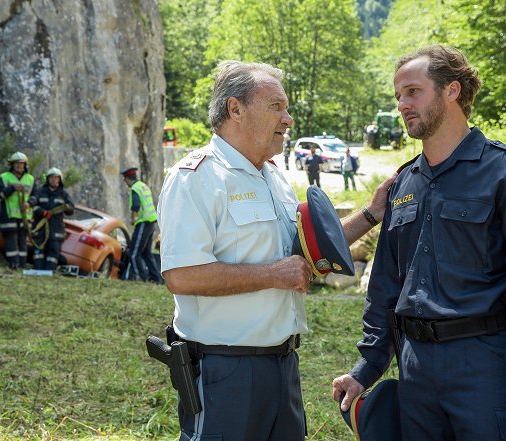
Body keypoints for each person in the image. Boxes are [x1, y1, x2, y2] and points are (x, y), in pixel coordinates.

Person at [332, 44, 506, 441]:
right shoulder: (402, 183)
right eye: (398, 96)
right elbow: (386, 287)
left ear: (452, 91)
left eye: (413, 91)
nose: (402, 105)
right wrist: (368, 366)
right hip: (415, 369)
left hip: (483, 364)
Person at [157, 60, 396, 441]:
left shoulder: (273, 177)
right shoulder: (196, 178)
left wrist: (371, 214)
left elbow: (303, 258)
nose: (288, 119)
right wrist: (273, 274)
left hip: (283, 365)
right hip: (224, 369)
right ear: (235, 109)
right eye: (276, 107)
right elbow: (181, 275)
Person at [28, 167, 74, 271]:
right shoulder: (40, 192)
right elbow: (33, 205)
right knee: (38, 251)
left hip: (56, 229)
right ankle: (38, 270)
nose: (54, 180)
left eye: (56, 178)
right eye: (51, 177)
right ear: (48, 179)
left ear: (59, 180)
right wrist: (42, 212)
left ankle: (49, 271)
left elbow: (71, 209)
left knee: (53, 252)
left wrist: (67, 207)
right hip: (40, 228)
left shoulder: (64, 194)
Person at [121, 167, 162, 283]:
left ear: (128, 179)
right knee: (146, 252)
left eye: (125, 180)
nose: (125, 183)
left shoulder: (135, 188)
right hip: (151, 222)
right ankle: (156, 278)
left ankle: (141, 278)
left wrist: (133, 219)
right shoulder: (143, 186)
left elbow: (136, 205)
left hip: (143, 222)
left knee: (134, 253)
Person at [0, 151, 36, 269]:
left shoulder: (31, 179)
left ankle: (22, 264)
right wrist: (12, 188)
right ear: (12, 165)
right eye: (16, 163)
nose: (19, 166)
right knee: (11, 240)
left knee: (22, 241)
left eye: (21, 163)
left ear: (25, 165)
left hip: (25, 216)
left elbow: (36, 196)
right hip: (8, 215)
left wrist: (29, 204)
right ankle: (13, 263)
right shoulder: (3, 177)